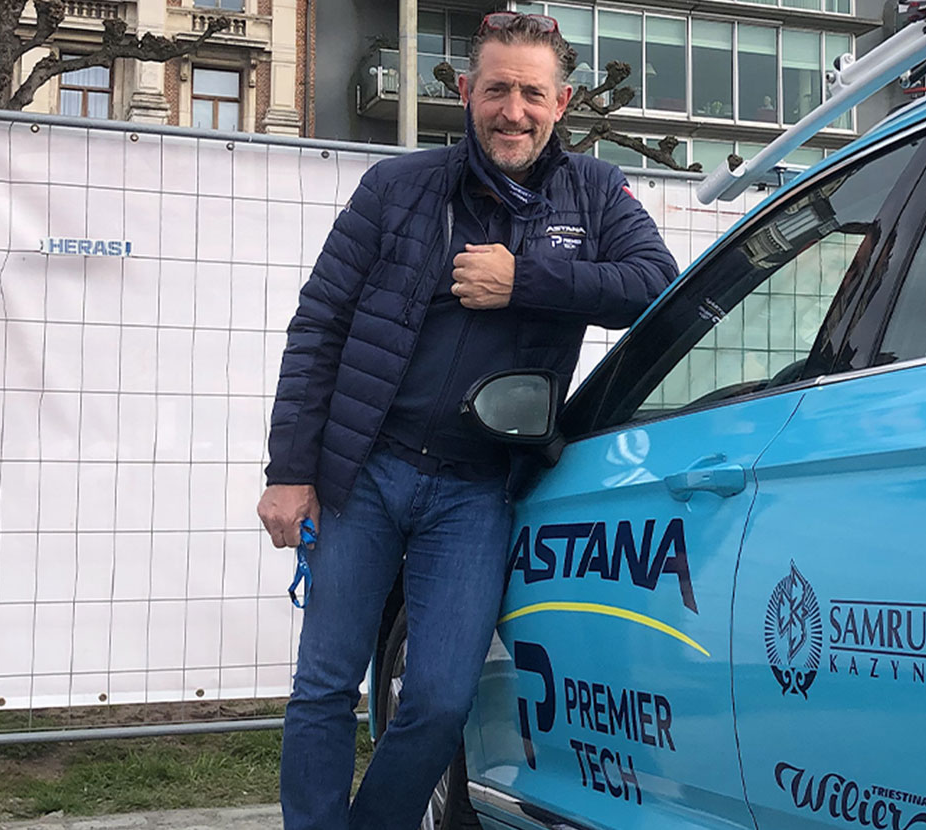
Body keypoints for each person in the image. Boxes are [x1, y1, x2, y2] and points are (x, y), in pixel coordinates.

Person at [256, 11, 679, 830]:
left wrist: (526, 279)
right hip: (365, 473)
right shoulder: (395, 188)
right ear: (464, 92)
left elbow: (653, 287)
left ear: (561, 103)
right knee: (324, 688)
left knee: (441, 700)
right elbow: (319, 328)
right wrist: (289, 472)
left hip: (477, 490)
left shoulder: (595, 192)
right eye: (496, 90)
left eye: (531, 94)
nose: (512, 111)